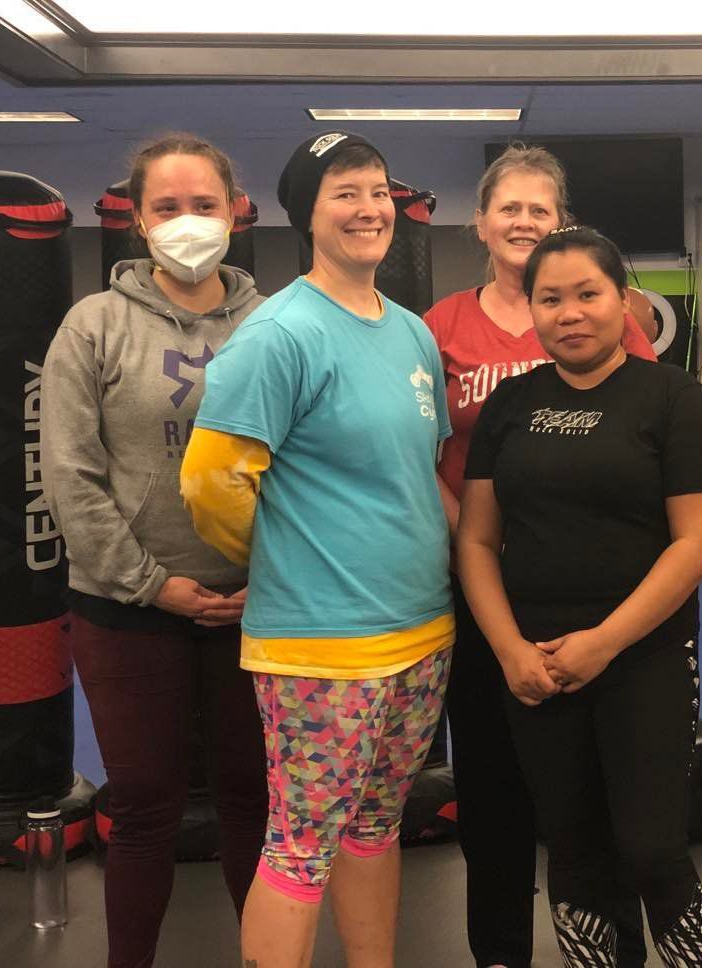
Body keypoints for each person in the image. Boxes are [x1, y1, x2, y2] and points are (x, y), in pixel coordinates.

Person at [180, 131, 454, 968]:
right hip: (322, 646)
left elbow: (423, 475)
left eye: (377, 189)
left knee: (376, 826)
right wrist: (295, 556)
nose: (368, 207)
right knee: (302, 844)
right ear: (307, 215)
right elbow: (211, 485)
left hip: (420, 630)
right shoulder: (281, 334)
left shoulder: (410, 332)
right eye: (344, 191)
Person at [457, 226, 702, 967]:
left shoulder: (672, 397)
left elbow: (697, 542)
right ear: (533, 308)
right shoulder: (511, 405)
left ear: (623, 302)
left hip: (644, 657)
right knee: (571, 847)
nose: (569, 313)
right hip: (536, 665)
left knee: (650, 847)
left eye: (587, 294)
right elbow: (477, 541)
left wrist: (605, 642)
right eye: (550, 299)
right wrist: (509, 649)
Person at [425, 144, 656, 968]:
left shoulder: (604, 315)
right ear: (480, 221)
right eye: (508, 207)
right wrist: (470, 543)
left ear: (564, 222)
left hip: (593, 586)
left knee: (595, 794)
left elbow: (646, 431)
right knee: (491, 792)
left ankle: (606, 952)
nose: (524, 221)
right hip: (483, 586)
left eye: (541, 209)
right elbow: (419, 452)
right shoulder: (440, 327)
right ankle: (500, 955)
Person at [41, 133, 267, 968]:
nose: (187, 222)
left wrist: (272, 573)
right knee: (143, 807)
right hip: (125, 610)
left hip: (256, 604)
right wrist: (150, 585)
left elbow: (307, 463)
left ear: (236, 214)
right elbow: (69, 476)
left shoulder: (275, 322)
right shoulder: (91, 327)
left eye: (203, 205)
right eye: (167, 207)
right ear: (138, 222)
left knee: (254, 801)